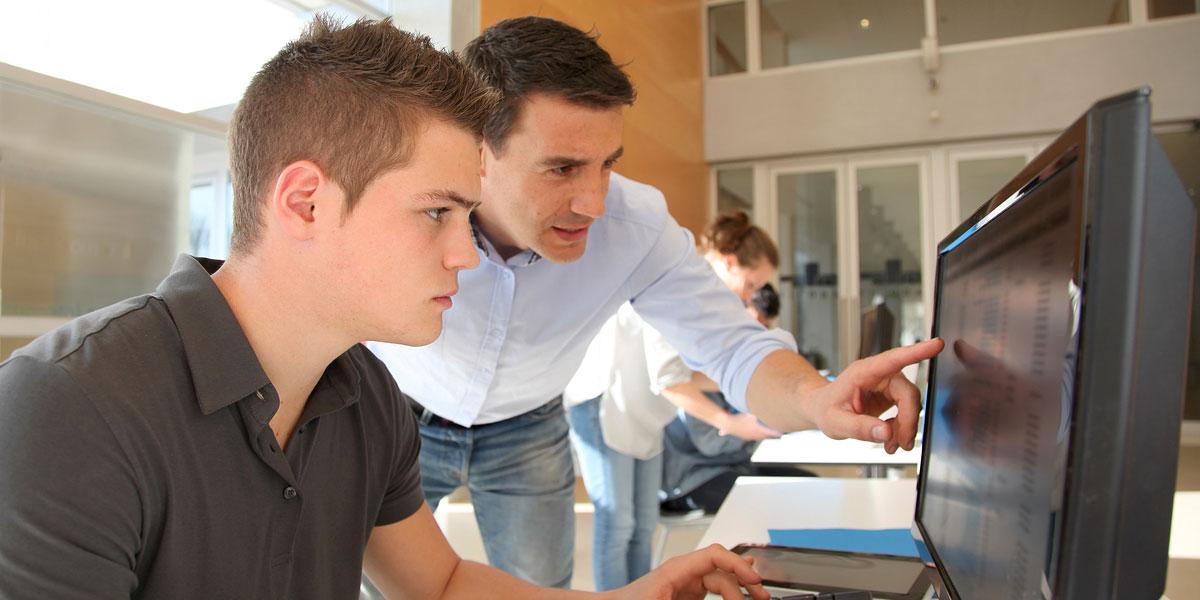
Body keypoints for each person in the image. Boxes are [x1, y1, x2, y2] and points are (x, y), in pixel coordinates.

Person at [0, 16, 771, 600]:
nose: (467, 255)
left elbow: (438, 587)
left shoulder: (367, 396)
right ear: (305, 202)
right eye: (436, 212)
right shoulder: (66, 406)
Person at [367, 16, 943, 588]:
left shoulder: (635, 225)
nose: (594, 202)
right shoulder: (411, 206)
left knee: (541, 586)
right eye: (562, 168)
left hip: (527, 424)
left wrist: (817, 398)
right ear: (480, 152)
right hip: (395, 410)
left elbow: (733, 345)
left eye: (608, 163)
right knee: (366, 580)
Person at [564, 212, 782, 590]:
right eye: (750, 284)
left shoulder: (705, 296)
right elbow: (669, 381)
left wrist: (749, 386)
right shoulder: (681, 281)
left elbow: (686, 370)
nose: (751, 296)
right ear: (729, 262)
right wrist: (730, 422)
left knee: (643, 522)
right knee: (617, 523)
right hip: (605, 400)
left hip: (641, 408)